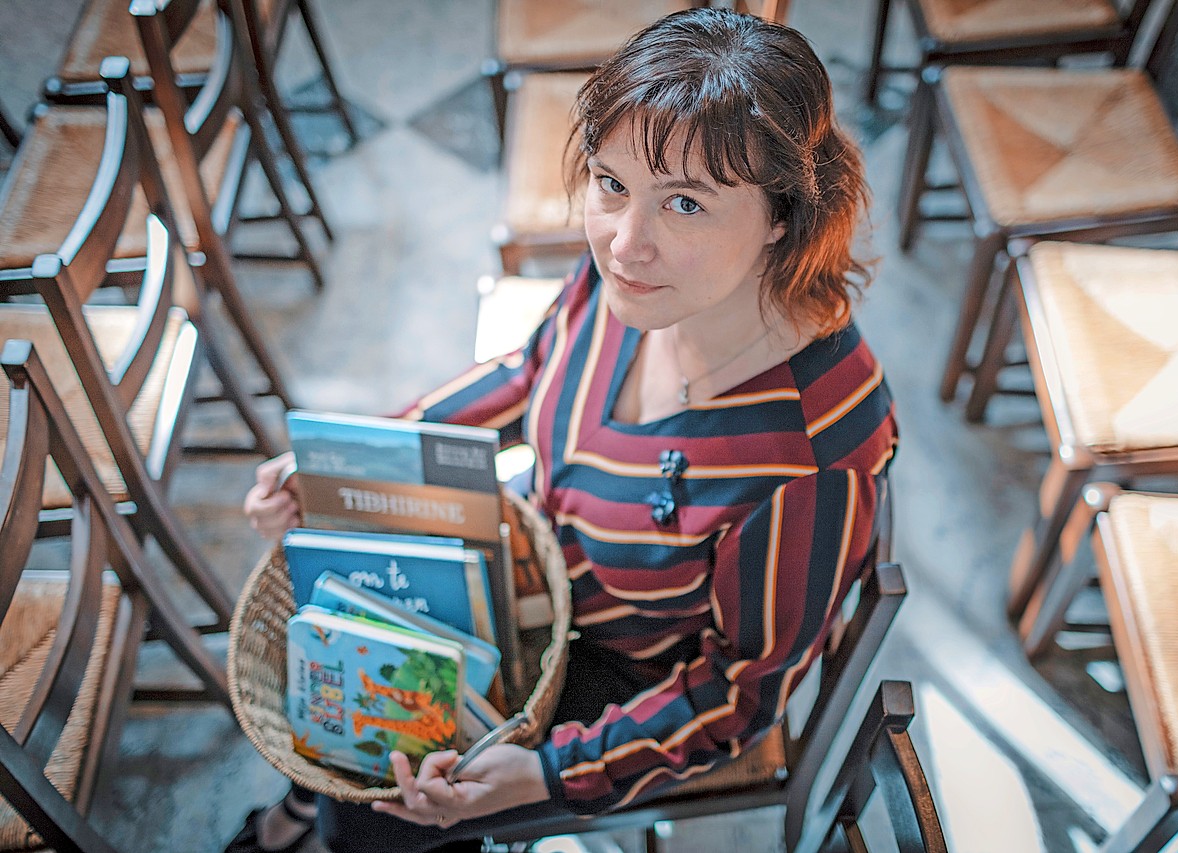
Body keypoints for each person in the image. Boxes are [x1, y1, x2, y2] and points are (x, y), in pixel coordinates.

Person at [229, 7, 896, 852]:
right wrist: (350, 467)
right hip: (539, 560)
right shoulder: (638, 279)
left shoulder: (808, 460)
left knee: (375, 816)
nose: (624, 242)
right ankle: (304, 809)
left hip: (623, 663)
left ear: (779, 215)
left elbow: (741, 693)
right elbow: (531, 370)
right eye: (611, 183)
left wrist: (552, 770)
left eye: (686, 203)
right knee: (342, 624)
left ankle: (325, 824)